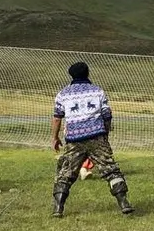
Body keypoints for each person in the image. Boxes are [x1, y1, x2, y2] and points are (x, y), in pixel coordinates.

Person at [51, 61, 134, 217]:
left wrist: (54, 137)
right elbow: (107, 115)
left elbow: (57, 118)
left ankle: (58, 208)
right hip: (97, 136)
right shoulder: (97, 91)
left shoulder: (63, 94)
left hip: (74, 139)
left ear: (71, 75)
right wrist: (105, 134)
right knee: (111, 170)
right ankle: (124, 202)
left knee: (66, 172)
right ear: (88, 73)